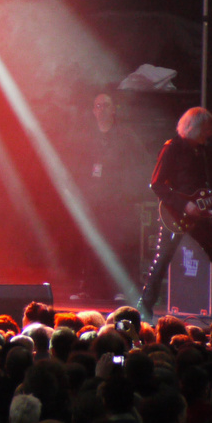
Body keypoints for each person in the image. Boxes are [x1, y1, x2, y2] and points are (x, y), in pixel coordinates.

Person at [138, 106, 212, 321]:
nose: (208, 135)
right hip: (174, 214)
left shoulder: (202, 151)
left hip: (199, 215)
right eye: (205, 130)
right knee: (162, 260)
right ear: (193, 128)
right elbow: (157, 185)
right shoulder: (172, 148)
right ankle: (144, 307)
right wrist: (184, 205)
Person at [80, 91, 147, 300]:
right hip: (95, 199)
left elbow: (142, 162)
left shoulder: (126, 135)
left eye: (106, 105)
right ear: (93, 111)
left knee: (122, 243)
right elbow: (78, 164)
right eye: (98, 106)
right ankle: (92, 289)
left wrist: (130, 189)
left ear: (114, 109)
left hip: (119, 200)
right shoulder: (87, 136)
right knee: (94, 243)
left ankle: (123, 288)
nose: (102, 109)